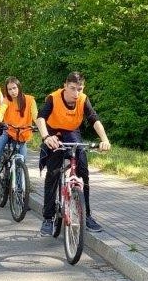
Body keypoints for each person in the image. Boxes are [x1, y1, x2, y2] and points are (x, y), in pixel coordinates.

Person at [35, 72, 111, 236]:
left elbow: (94, 119)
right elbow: (40, 118)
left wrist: (104, 139)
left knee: (83, 171)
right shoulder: (54, 98)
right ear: (65, 86)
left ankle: (87, 216)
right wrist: (46, 136)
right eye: (72, 89)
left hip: (71, 132)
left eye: (80, 89)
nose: (76, 93)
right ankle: (48, 218)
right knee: (53, 172)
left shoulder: (83, 99)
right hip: (53, 133)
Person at [0, 77, 38, 191]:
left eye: (14, 88)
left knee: (22, 162)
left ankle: (20, 193)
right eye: (9, 89)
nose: (12, 91)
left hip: (22, 133)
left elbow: (35, 115)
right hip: (7, 131)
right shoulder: (7, 100)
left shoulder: (29, 100)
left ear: (19, 87)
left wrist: (40, 125)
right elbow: (1, 111)